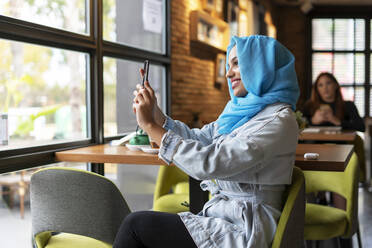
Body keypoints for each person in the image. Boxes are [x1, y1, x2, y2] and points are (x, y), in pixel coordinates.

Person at [113, 35, 300, 248]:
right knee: (138, 227)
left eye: (237, 64)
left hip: (245, 229)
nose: (228, 73)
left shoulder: (277, 120)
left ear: (262, 66)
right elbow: (200, 138)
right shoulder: (241, 113)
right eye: (229, 65)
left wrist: (150, 127)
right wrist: (157, 116)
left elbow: (213, 162)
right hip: (223, 216)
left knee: (135, 225)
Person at [302, 72, 366, 183]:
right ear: (316, 89)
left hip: (341, 151)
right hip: (315, 152)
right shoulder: (309, 106)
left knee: (340, 178)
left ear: (335, 85)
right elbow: (298, 125)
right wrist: (312, 121)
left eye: (328, 83)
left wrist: (337, 121)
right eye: (320, 85)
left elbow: (361, 127)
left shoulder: (348, 105)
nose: (325, 88)